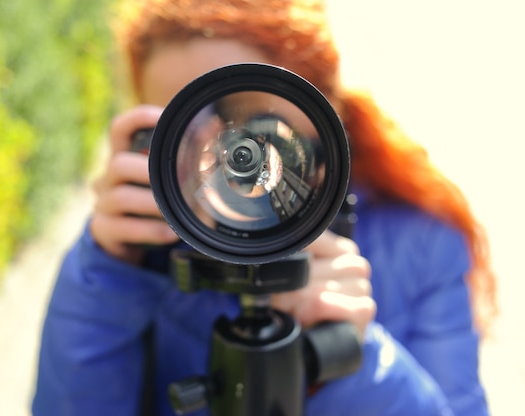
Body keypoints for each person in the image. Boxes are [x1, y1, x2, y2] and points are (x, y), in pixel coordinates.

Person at [32, 0, 497, 414]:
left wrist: (347, 354)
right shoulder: (138, 260)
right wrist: (107, 274)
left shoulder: (422, 244)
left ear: (321, 104)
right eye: (182, 124)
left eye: (248, 117)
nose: (218, 152)